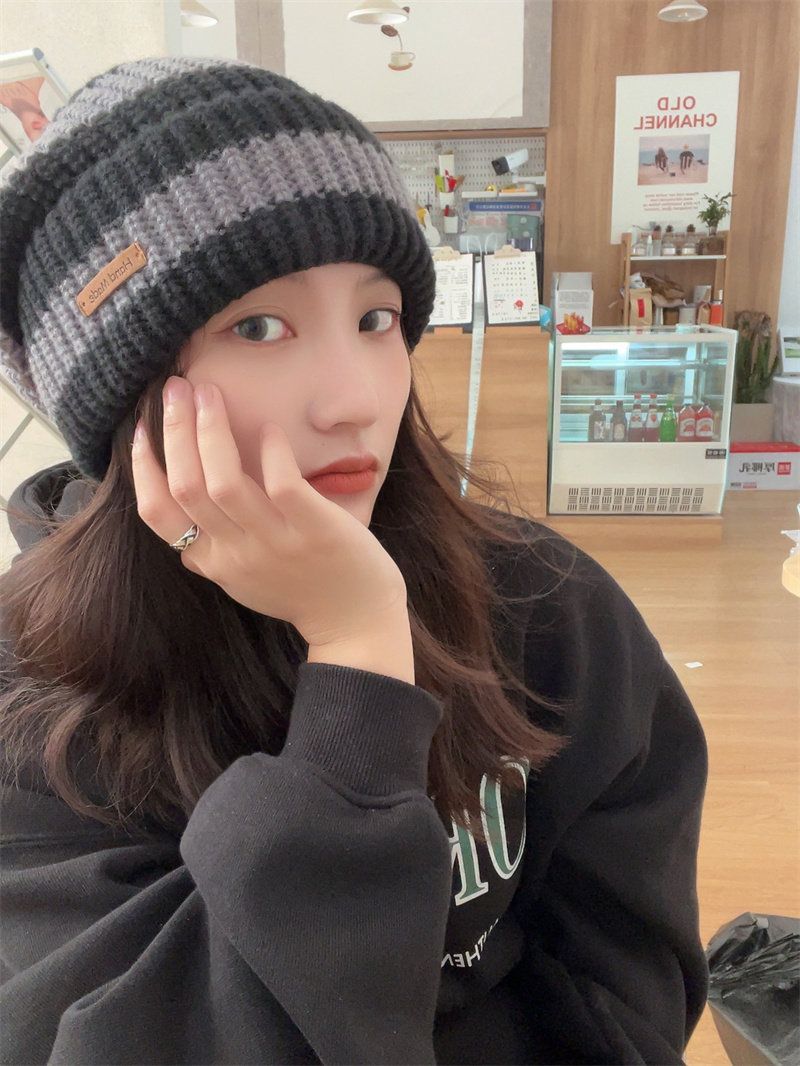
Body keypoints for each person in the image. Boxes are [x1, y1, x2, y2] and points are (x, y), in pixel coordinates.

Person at [0, 57, 708, 1065]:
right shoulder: (31, 690)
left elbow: (623, 973)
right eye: (258, 326)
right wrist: (357, 659)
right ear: (123, 398)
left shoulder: (542, 602)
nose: (353, 398)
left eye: (376, 319)